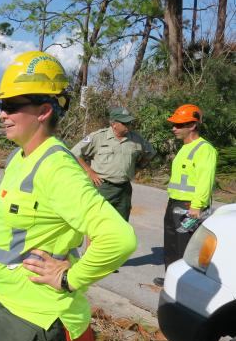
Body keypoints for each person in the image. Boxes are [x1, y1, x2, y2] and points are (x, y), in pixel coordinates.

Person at [0, 51, 137, 341]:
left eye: (11, 105)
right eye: (0, 104)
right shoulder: (21, 156)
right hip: (8, 304)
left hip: (36, 318)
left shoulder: (57, 167)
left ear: (43, 111)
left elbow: (119, 238)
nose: (2, 113)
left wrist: (70, 277)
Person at [154, 104, 217, 286]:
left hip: (190, 206)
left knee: (185, 246)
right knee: (172, 242)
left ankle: (183, 284)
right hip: (175, 203)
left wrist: (197, 206)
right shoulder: (184, 148)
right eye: (174, 124)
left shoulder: (204, 149)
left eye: (179, 125)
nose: (174, 128)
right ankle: (171, 279)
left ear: (192, 125)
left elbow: (205, 181)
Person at [71, 107, 155, 221]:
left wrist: (139, 167)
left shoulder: (136, 139)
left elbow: (150, 153)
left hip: (124, 189)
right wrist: (89, 172)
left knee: (121, 225)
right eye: (125, 123)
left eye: (129, 122)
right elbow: (75, 153)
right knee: (96, 222)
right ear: (114, 124)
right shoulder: (98, 137)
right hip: (103, 187)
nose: (128, 126)